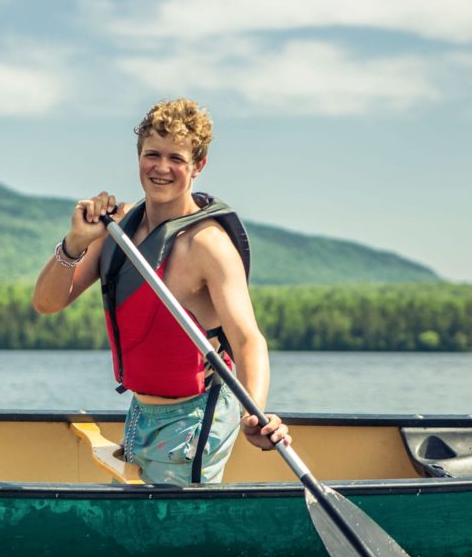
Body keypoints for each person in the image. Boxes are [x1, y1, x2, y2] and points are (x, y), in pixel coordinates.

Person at [32, 98, 289, 485]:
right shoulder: (117, 228)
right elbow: (47, 303)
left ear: (198, 166)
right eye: (153, 154)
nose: (162, 168)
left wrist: (256, 411)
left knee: (171, 529)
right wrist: (75, 241)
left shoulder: (208, 245)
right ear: (139, 158)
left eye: (177, 158)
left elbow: (248, 338)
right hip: (141, 411)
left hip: (195, 417)